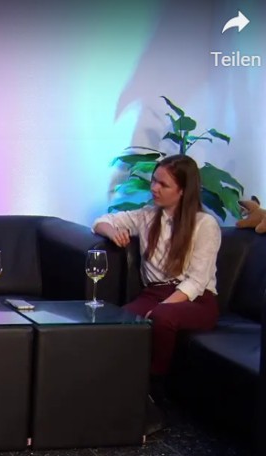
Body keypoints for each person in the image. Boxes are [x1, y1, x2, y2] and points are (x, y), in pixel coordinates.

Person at [93, 154, 221, 432]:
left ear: (182, 190)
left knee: (162, 317)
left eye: (163, 184)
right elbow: (101, 221)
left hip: (195, 300)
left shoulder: (205, 225)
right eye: (154, 181)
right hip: (154, 293)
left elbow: (196, 282)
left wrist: (161, 309)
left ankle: (155, 388)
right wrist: (112, 232)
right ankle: (111, 394)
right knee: (118, 323)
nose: (154, 188)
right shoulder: (147, 216)